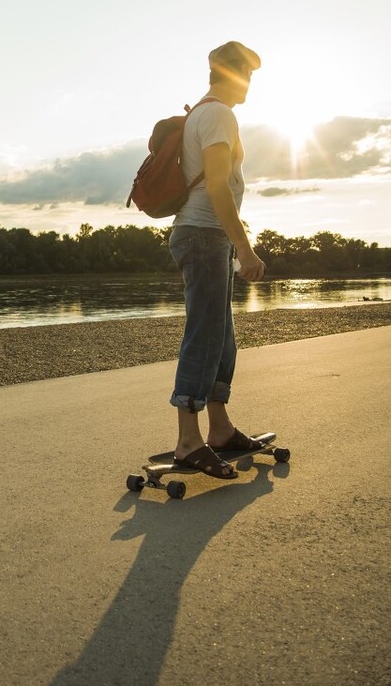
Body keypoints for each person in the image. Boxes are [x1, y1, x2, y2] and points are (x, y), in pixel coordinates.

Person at [169, 41, 266, 479]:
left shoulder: (208, 112)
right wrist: (243, 247)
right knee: (204, 336)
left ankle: (220, 429)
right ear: (230, 74)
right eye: (247, 74)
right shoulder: (218, 114)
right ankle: (189, 440)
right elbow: (216, 186)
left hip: (209, 239)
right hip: (205, 236)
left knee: (221, 337)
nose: (250, 84)